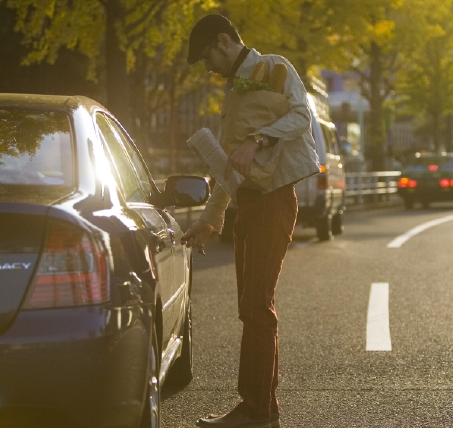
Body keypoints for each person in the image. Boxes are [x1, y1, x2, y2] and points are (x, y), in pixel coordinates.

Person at [182, 14, 320, 428]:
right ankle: (262, 410)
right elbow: (231, 170)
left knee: (256, 309)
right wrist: (210, 218)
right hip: (251, 205)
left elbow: (302, 117)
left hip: (273, 201)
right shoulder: (232, 95)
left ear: (223, 41)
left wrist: (257, 139)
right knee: (253, 309)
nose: (207, 67)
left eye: (207, 55)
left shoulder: (273, 68)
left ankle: (256, 411)